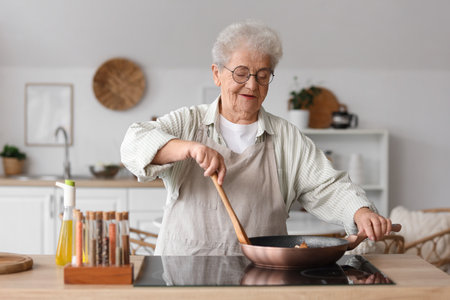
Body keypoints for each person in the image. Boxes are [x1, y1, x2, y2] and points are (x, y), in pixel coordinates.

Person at [121, 20, 393, 255]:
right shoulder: (187, 123)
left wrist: (360, 212)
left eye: (262, 76)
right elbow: (134, 144)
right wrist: (188, 148)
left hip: (263, 277)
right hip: (183, 276)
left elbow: (327, 186)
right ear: (217, 73)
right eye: (241, 73)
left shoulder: (286, 138)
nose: (252, 85)